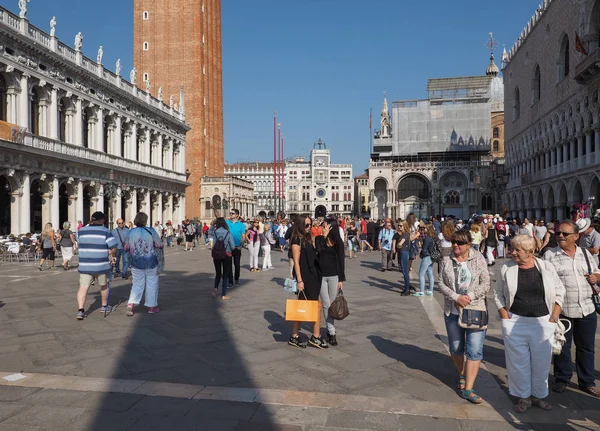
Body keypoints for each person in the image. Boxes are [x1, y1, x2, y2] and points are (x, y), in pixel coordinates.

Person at [495, 235, 565, 413]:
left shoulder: (546, 267)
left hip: (543, 321)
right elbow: (498, 294)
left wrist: (554, 317)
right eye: (512, 248)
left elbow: (559, 291)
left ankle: (539, 396)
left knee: (541, 363)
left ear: (530, 252)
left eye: (517, 250)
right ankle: (523, 397)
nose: (513, 253)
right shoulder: (506, 268)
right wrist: (504, 315)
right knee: (517, 363)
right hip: (515, 320)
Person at [543, 219, 600, 398]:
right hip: (563, 309)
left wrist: (596, 277)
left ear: (576, 237)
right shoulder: (550, 255)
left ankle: (587, 381)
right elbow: (545, 282)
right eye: (558, 233)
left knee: (586, 347)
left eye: (565, 234)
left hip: (587, 307)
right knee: (562, 346)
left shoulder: (585, 253)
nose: (560, 236)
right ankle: (562, 378)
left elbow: (597, 271)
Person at [437, 229, 491, 404]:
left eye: (460, 243)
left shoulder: (478, 258)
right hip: (452, 310)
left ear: (468, 245)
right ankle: (461, 374)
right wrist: (456, 297)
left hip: (475, 308)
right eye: (453, 242)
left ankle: (468, 389)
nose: (455, 245)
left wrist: (469, 296)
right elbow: (440, 283)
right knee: (455, 348)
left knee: (474, 351)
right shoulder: (446, 259)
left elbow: (486, 282)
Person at [289, 215, 327, 349]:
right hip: (305, 277)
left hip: (313, 276)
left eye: (310, 224)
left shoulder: (307, 239)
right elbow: (296, 262)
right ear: (300, 225)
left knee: (301, 307)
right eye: (306, 225)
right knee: (316, 306)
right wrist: (300, 280)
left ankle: (294, 336)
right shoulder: (296, 240)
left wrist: (323, 236)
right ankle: (315, 336)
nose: (309, 227)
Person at [76, 212, 117, 320]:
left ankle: (80, 310)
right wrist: (112, 255)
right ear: (102, 220)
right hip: (101, 264)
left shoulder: (81, 231)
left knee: (83, 287)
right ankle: (104, 306)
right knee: (104, 285)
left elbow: (79, 242)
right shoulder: (105, 231)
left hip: (85, 265)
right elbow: (113, 247)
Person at [125, 212, 164, 315]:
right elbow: (159, 244)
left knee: (137, 283)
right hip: (151, 261)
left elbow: (126, 247)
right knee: (152, 283)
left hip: (136, 261)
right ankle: (151, 307)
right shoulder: (151, 230)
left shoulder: (131, 231)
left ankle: (131, 303)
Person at [316, 218, 346, 346]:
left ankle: (330, 331)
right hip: (321, 276)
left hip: (334, 275)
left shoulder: (337, 241)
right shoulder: (319, 239)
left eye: (325, 225)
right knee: (326, 304)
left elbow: (341, 260)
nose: (323, 227)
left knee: (332, 305)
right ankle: (332, 332)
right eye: (323, 225)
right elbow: (319, 251)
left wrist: (341, 279)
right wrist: (323, 236)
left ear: (331, 227)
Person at [210, 217, 235, 300]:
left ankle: (215, 290)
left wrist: (212, 225)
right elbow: (232, 245)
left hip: (216, 254)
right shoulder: (228, 232)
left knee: (218, 273)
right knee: (225, 274)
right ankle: (223, 294)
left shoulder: (214, 231)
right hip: (226, 254)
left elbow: (209, 233)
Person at [227, 209, 247, 287]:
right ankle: (230, 281)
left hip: (237, 247)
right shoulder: (227, 222)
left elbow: (243, 236)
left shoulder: (241, 225)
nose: (231, 214)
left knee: (237, 264)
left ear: (237, 215)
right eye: (230, 213)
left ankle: (236, 279)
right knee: (228, 264)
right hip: (228, 247)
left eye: (232, 213)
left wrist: (241, 245)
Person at [416, 224, 436, 296]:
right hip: (431, 257)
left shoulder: (427, 238)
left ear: (428, 228)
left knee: (421, 274)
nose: (423, 229)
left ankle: (421, 291)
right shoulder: (433, 237)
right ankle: (430, 290)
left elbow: (424, 249)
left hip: (426, 257)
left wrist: (421, 254)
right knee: (430, 273)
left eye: (425, 228)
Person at [392, 221, 411, 296]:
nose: (399, 227)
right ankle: (407, 286)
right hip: (401, 252)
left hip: (404, 252)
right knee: (403, 270)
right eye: (398, 226)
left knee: (404, 270)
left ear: (404, 226)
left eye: (401, 226)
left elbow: (400, 244)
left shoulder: (405, 234)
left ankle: (407, 288)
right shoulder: (403, 234)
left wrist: (398, 245)